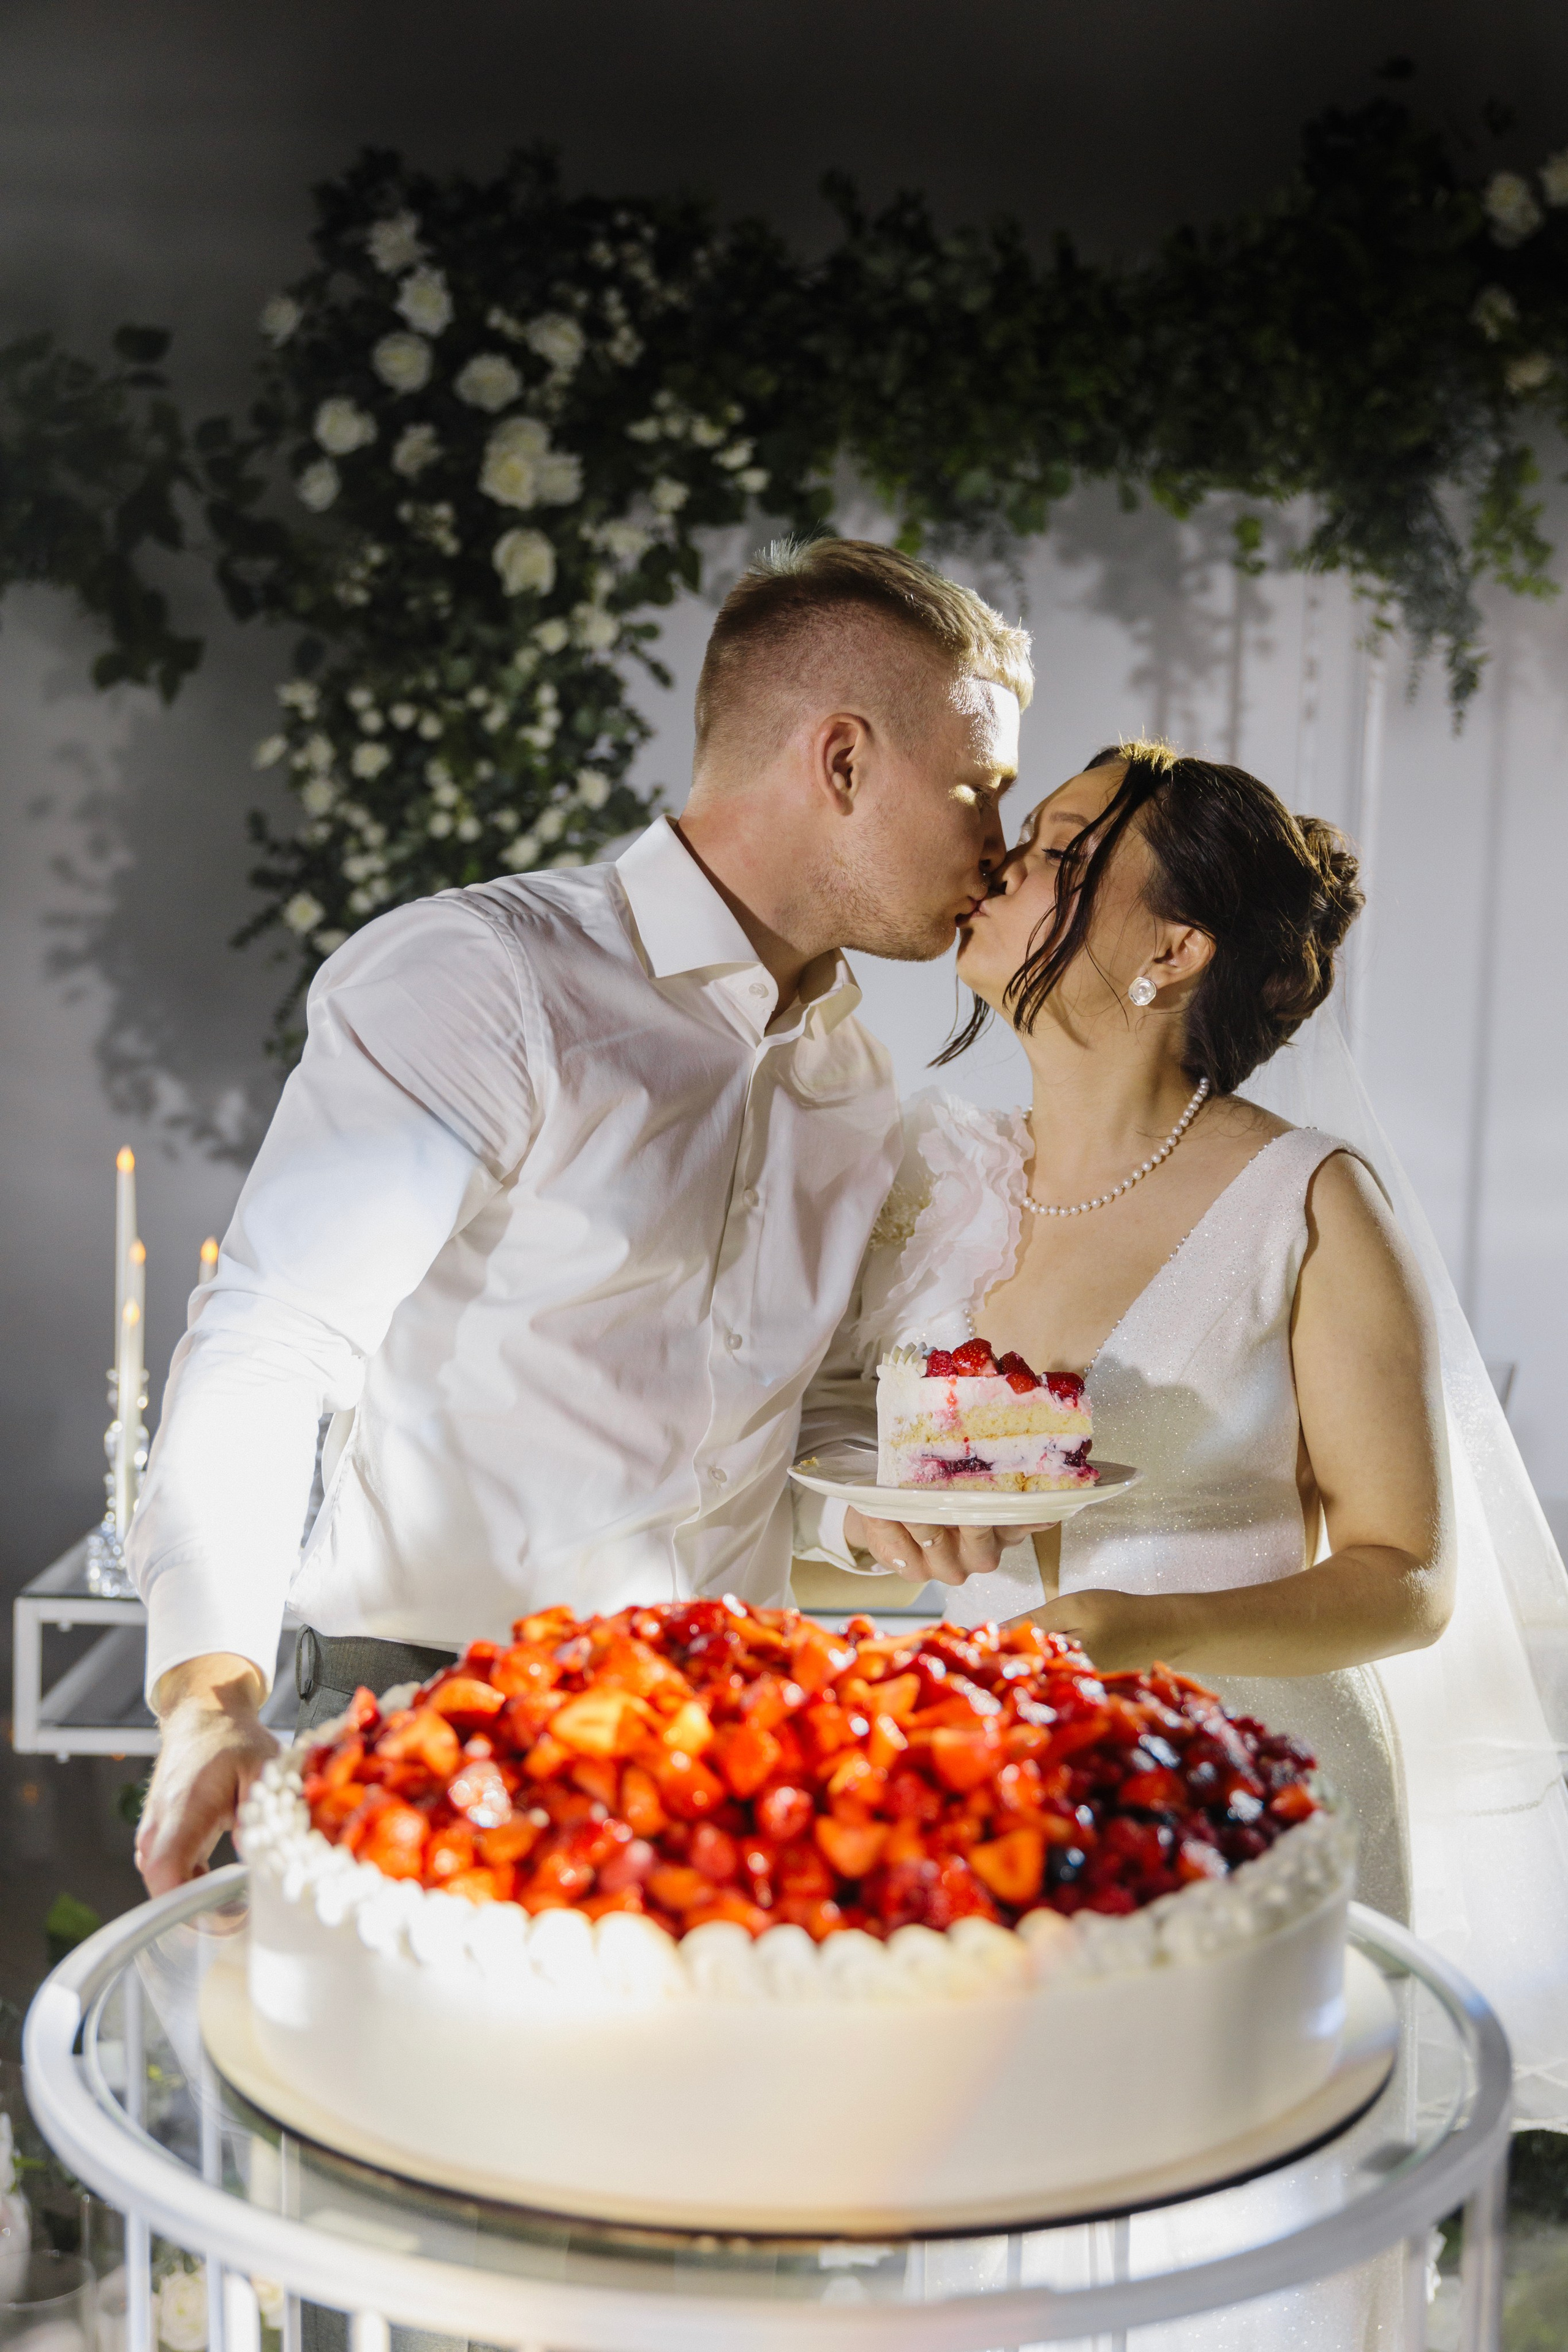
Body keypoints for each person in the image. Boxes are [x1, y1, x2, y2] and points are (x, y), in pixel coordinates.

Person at [129, 536, 1036, 1897]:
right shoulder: (485, 982)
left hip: (723, 1772)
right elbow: (270, 1344)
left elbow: (768, 1428)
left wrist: (888, 1511)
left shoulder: (852, 1082)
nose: (999, 842)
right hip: (427, 1734)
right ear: (840, 763)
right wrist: (207, 1696)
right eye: (977, 788)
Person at [799, 738, 1568, 2130]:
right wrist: (843, 1542)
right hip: (1008, 1802)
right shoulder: (935, 1184)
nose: (1005, 863)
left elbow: (1404, 1575)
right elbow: (890, 1539)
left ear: (1171, 948)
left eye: (1065, 851)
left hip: (1254, 1803)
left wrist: (1137, 1630)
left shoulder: (1307, 1202)